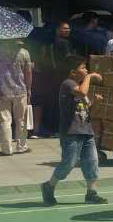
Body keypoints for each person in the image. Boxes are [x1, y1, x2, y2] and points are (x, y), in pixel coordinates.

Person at [39, 59, 108, 206]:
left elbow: (87, 111)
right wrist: (90, 77)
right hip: (71, 131)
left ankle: (91, 192)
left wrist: (96, 103)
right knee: (69, 163)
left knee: (92, 161)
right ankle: (49, 185)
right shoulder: (68, 84)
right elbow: (82, 92)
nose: (86, 71)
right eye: (83, 68)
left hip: (86, 130)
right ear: (73, 72)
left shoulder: (81, 88)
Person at [0, 39, 33, 156]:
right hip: (20, 90)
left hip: (1, 90)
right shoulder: (24, 52)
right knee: (21, 119)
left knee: (5, 120)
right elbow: (28, 72)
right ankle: (21, 146)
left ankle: (6, 149)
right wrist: (29, 89)